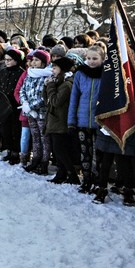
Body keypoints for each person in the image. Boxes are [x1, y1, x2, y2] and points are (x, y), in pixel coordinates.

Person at [67, 45, 104, 194]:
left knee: (97, 153)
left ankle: (97, 180)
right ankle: (86, 179)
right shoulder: (80, 74)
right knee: (85, 152)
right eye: (89, 58)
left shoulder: (106, 74)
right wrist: (71, 121)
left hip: (99, 121)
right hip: (82, 119)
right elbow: (74, 98)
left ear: (102, 59)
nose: (91, 61)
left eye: (95, 58)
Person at [44, 56, 78, 184]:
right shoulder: (58, 82)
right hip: (54, 120)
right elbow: (47, 99)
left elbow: (55, 102)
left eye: (55, 67)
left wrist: (51, 86)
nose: (52, 70)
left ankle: (71, 174)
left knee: (60, 150)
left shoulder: (67, 85)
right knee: (57, 150)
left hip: (61, 121)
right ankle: (61, 173)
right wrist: (46, 86)